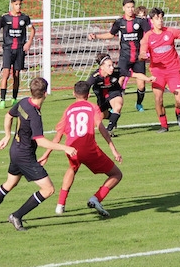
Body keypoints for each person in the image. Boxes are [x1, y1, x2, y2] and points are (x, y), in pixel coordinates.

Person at [0, 77, 76, 231]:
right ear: (45, 93)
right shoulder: (34, 115)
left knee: (10, 183)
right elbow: (40, 141)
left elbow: (8, 116)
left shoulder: (24, 102)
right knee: (48, 189)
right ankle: (16, 216)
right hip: (25, 156)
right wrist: (65, 148)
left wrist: (7, 135)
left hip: (15, 150)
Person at [42, 80, 123, 218]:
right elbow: (101, 128)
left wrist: (46, 154)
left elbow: (58, 136)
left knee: (72, 168)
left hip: (71, 148)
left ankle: (60, 205)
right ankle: (96, 198)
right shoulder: (92, 107)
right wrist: (113, 149)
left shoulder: (68, 110)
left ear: (74, 93)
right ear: (88, 95)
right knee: (116, 174)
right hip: (89, 149)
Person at [89, 0, 151, 112]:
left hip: (138, 57)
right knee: (119, 80)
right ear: (123, 8)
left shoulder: (140, 21)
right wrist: (96, 36)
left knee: (141, 85)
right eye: (128, 7)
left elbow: (150, 34)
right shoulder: (119, 22)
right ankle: (114, 105)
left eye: (132, 7)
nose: (130, 9)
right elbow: (110, 34)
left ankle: (139, 104)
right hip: (124, 57)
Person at [86, 53, 153, 134]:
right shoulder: (95, 76)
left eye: (112, 65)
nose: (112, 68)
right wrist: (85, 94)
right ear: (102, 67)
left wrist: (148, 79)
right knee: (102, 115)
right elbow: (85, 86)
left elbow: (135, 74)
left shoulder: (117, 71)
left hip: (114, 92)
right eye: (109, 66)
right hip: (102, 97)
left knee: (117, 106)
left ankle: (110, 130)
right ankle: (113, 117)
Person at [0, 0, 35, 108]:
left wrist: (29, 42)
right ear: (12, 4)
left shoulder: (25, 18)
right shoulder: (5, 17)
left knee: (16, 74)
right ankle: (2, 100)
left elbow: (32, 30)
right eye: (16, 4)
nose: (18, 7)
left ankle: (14, 98)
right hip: (8, 48)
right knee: (6, 73)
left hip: (20, 49)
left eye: (20, 4)